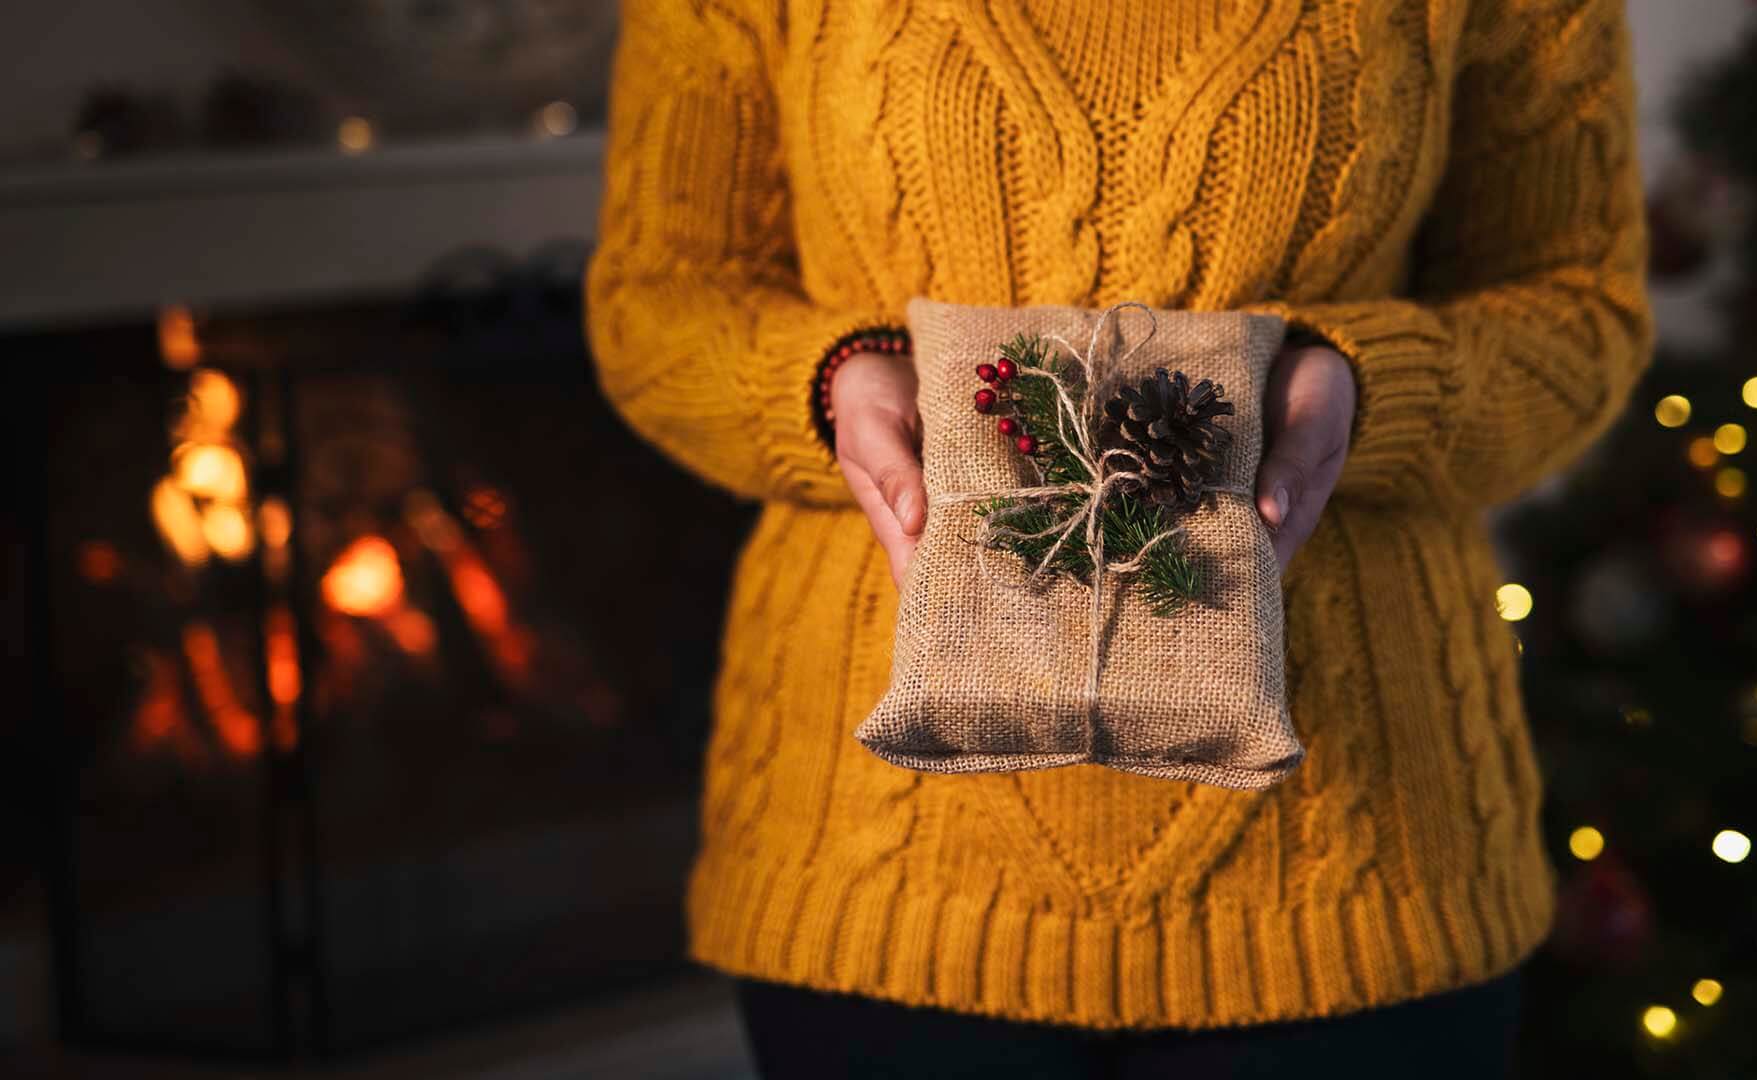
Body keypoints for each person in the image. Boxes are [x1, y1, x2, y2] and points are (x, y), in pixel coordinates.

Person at [586, 0, 1651, 1075]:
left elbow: (1578, 314)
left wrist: (1363, 388)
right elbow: (659, 305)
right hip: (879, 869)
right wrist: (833, 385)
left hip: (1360, 864)